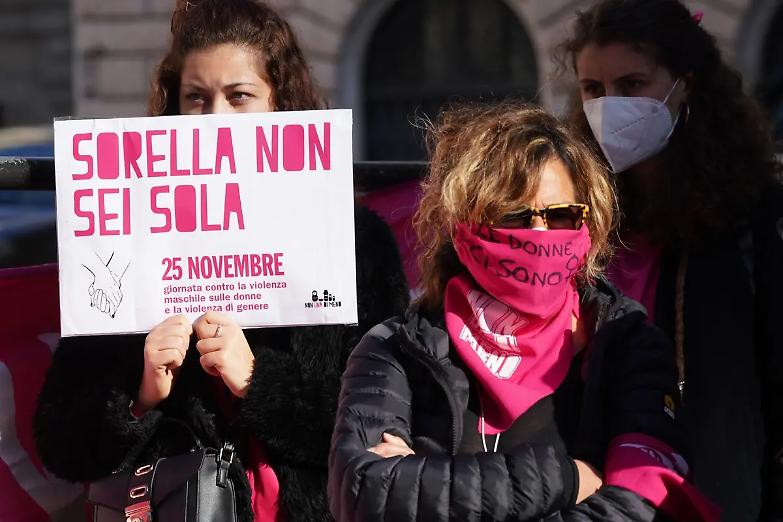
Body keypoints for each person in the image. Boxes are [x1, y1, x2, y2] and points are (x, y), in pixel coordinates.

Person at [34, 1, 409, 521]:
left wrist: (258, 380)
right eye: (196, 98)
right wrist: (140, 394)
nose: (216, 118)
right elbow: (60, 443)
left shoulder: (352, 241)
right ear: (173, 109)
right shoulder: (121, 242)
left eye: (239, 96)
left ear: (280, 104)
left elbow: (379, 427)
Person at [328, 102, 716, 521]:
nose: (538, 233)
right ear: (463, 226)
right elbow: (363, 493)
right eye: (514, 215)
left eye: (562, 216)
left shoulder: (627, 344)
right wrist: (565, 479)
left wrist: (424, 483)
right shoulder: (397, 348)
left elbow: (640, 504)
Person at [559, 1, 783, 518]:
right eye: (593, 89)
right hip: (592, 492)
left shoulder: (751, 218)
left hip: (708, 493)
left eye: (632, 84)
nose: (609, 106)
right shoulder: (569, 210)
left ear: (686, 84)